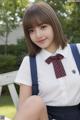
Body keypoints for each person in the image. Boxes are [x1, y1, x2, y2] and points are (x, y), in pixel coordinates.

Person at [13, 1, 80, 120]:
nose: (38, 35)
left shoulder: (77, 51)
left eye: (43, 27)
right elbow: (24, 109)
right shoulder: (29, 63)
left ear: (54, 25)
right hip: (47, 117)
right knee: (34, 102)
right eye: (31, 31)